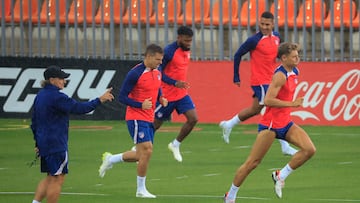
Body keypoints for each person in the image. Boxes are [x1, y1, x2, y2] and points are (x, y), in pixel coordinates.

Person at [223, 42, 316, 203]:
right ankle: (230, 196)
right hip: (271, 125)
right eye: (294, 56)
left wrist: (289, 106)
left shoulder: (295, 71)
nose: (297, 58)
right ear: (284, 58)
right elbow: (267, 100)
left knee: (309, 150)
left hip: (286, 123)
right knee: (252, 163)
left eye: (298, 55)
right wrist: (292, 104)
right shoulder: (280, 75)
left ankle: (280, 175)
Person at [31, 65, 114, 203]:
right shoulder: (57, 97)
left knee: (50, 176)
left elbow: (34, 122)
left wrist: (37, 142)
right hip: (56, 143)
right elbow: (80, 108)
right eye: (61, 78)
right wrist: (100, 100)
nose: (64, 81)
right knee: (58, 178)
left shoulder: (41, 95)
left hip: (44, 143)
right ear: (52, 80)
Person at [219, 11, 297, 156]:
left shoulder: (277, 37)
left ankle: (228, 124)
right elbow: (237, 55)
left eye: (267, 24)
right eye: (262, 24)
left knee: (255, 109)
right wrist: (236, 76)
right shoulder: (254, 40)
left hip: (273, 80)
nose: (264, 27)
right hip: (260, 81)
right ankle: (285, 146)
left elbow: (282, 53)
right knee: (274, 107)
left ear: (273, 24)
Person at [98, 44, 168, 198]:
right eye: (157, 59)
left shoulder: (157, 70)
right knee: (147, 150)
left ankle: (111, 159)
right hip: (136, 117)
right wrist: (140, 104)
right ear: (148, 57)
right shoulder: (135, 73)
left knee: (140, 155)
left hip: (149, 117)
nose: (160, 62)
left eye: (161, 60)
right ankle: (140, 190)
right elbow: (122, 97)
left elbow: (158, 87)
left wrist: (161, 97)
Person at [153, 25, 198, 162]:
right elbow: (158, 71)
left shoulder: (187, 50)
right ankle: (138, 148)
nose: (188, 43)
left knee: (193, 119)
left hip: (182, 94)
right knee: (155, 125)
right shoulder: (169, 51)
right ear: (178, 38)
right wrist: (174, 83)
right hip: (167, 95)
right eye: (186, 40)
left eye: (190, 41)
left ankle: (175, 144)